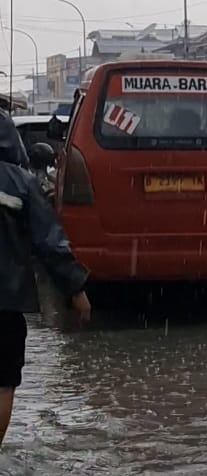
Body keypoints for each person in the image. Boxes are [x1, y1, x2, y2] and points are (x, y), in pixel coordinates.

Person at [0, 110, 91, 447]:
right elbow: (50, 242)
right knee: (3, 383)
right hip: (5, 305)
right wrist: (76, 289)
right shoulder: (21, 184)